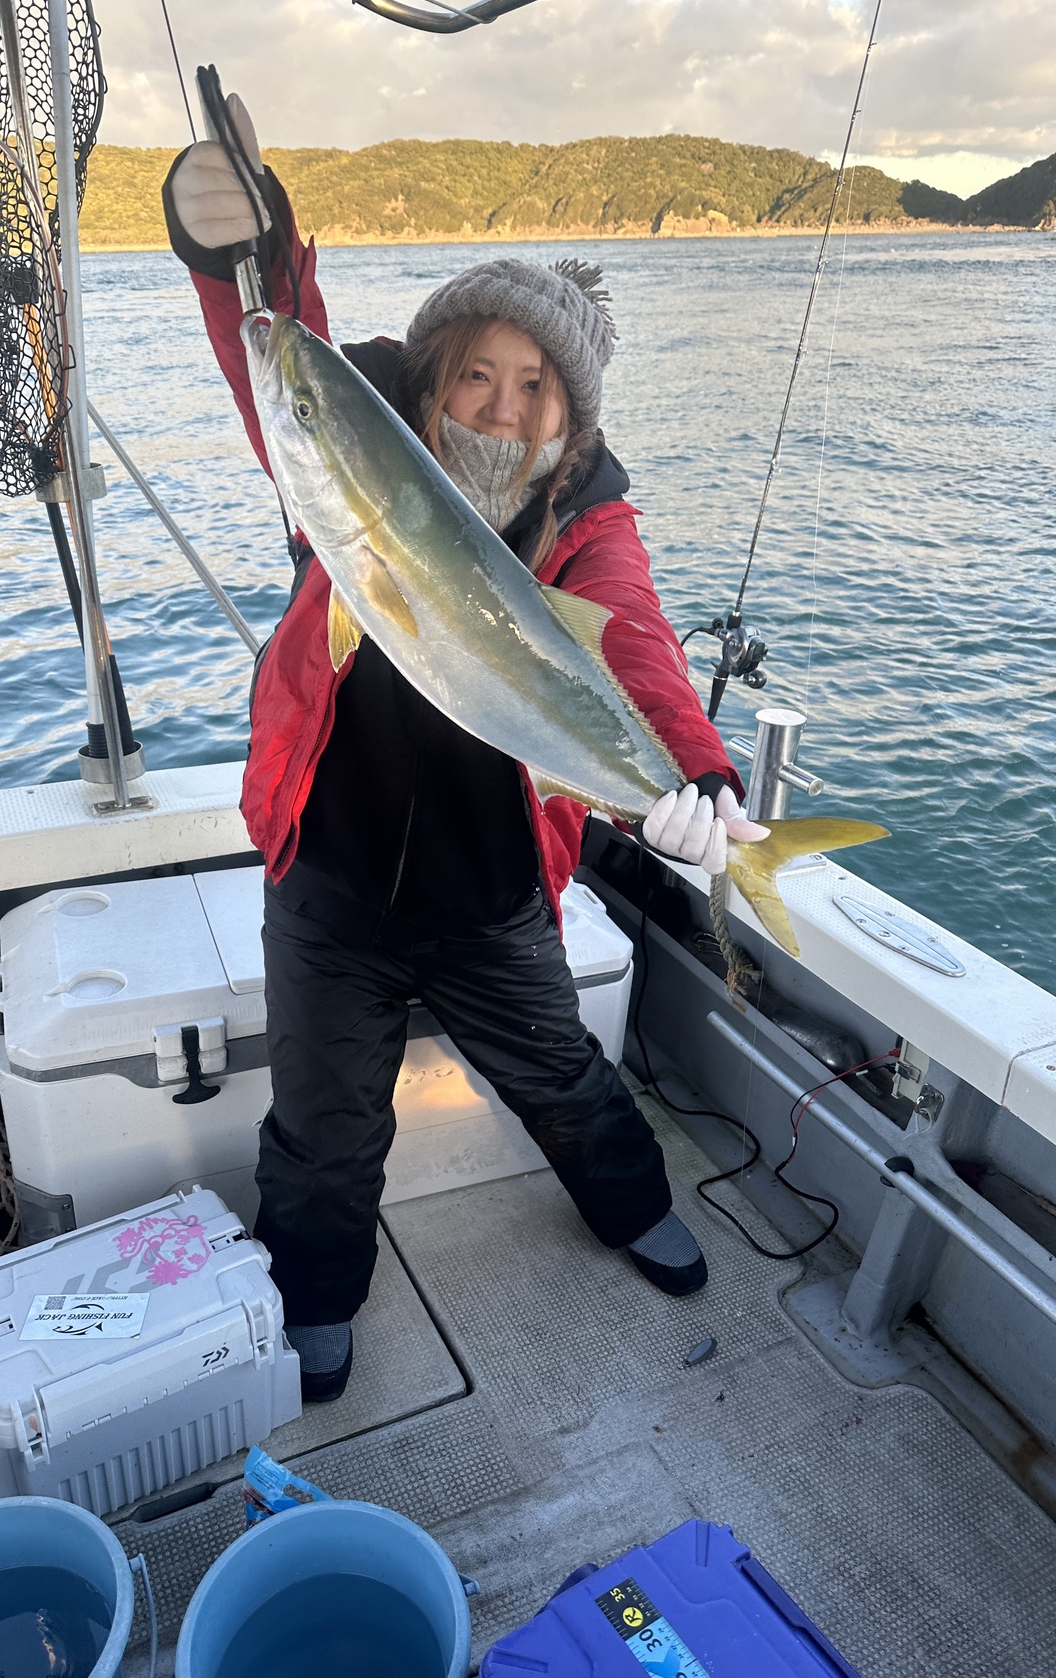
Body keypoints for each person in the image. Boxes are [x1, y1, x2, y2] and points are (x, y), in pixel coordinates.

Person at [163, 97, 768, 1403]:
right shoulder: (348, 470)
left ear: (568, 414)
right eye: (476, 373)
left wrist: (698, 775)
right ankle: (315, 1291)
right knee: (323, 1121)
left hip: (493, 890)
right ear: (433, 376)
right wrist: (239, 250)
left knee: (562, 1073)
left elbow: (636, 647)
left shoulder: (586, 520)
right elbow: (282, 360)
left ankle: (631, 1205)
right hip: (330, 880)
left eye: (534, 384)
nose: (501, 404)